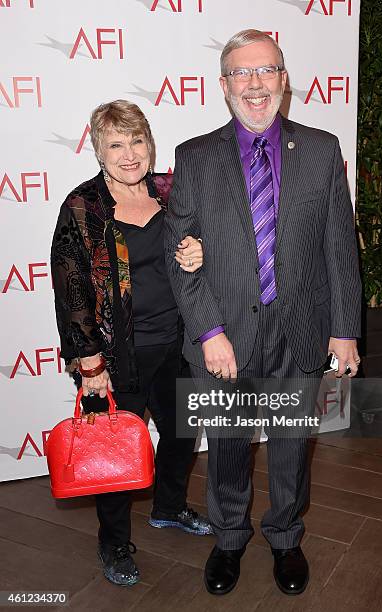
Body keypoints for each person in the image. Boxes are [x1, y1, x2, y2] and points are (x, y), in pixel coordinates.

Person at [164, 30, 362, 596]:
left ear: (283, 80)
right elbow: (183, 258)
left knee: (291, 444)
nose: (255, 84)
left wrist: (345, 329)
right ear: (224, 84)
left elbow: (339, 248)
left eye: (266, 71)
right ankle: (228, 538)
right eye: (242, 73)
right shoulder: (195, 158)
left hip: (300, 327)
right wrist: (208, 331)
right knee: (226, 444)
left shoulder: (322, 151)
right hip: (226, 333)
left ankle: (284, 536)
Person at [51, 100, 212, 588]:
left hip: (179, 344)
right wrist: (88, 359)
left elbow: (212, 242)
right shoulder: (83, 207)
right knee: (115, 454)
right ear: (99, 151)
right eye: (115, 144)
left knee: (183, 436)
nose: (129, 154)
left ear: (150, 143)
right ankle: (114, 542)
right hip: (116, 356)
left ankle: (167, 507)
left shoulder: (172, 191)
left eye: (136, 141)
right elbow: (72, 286)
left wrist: (200, 250)